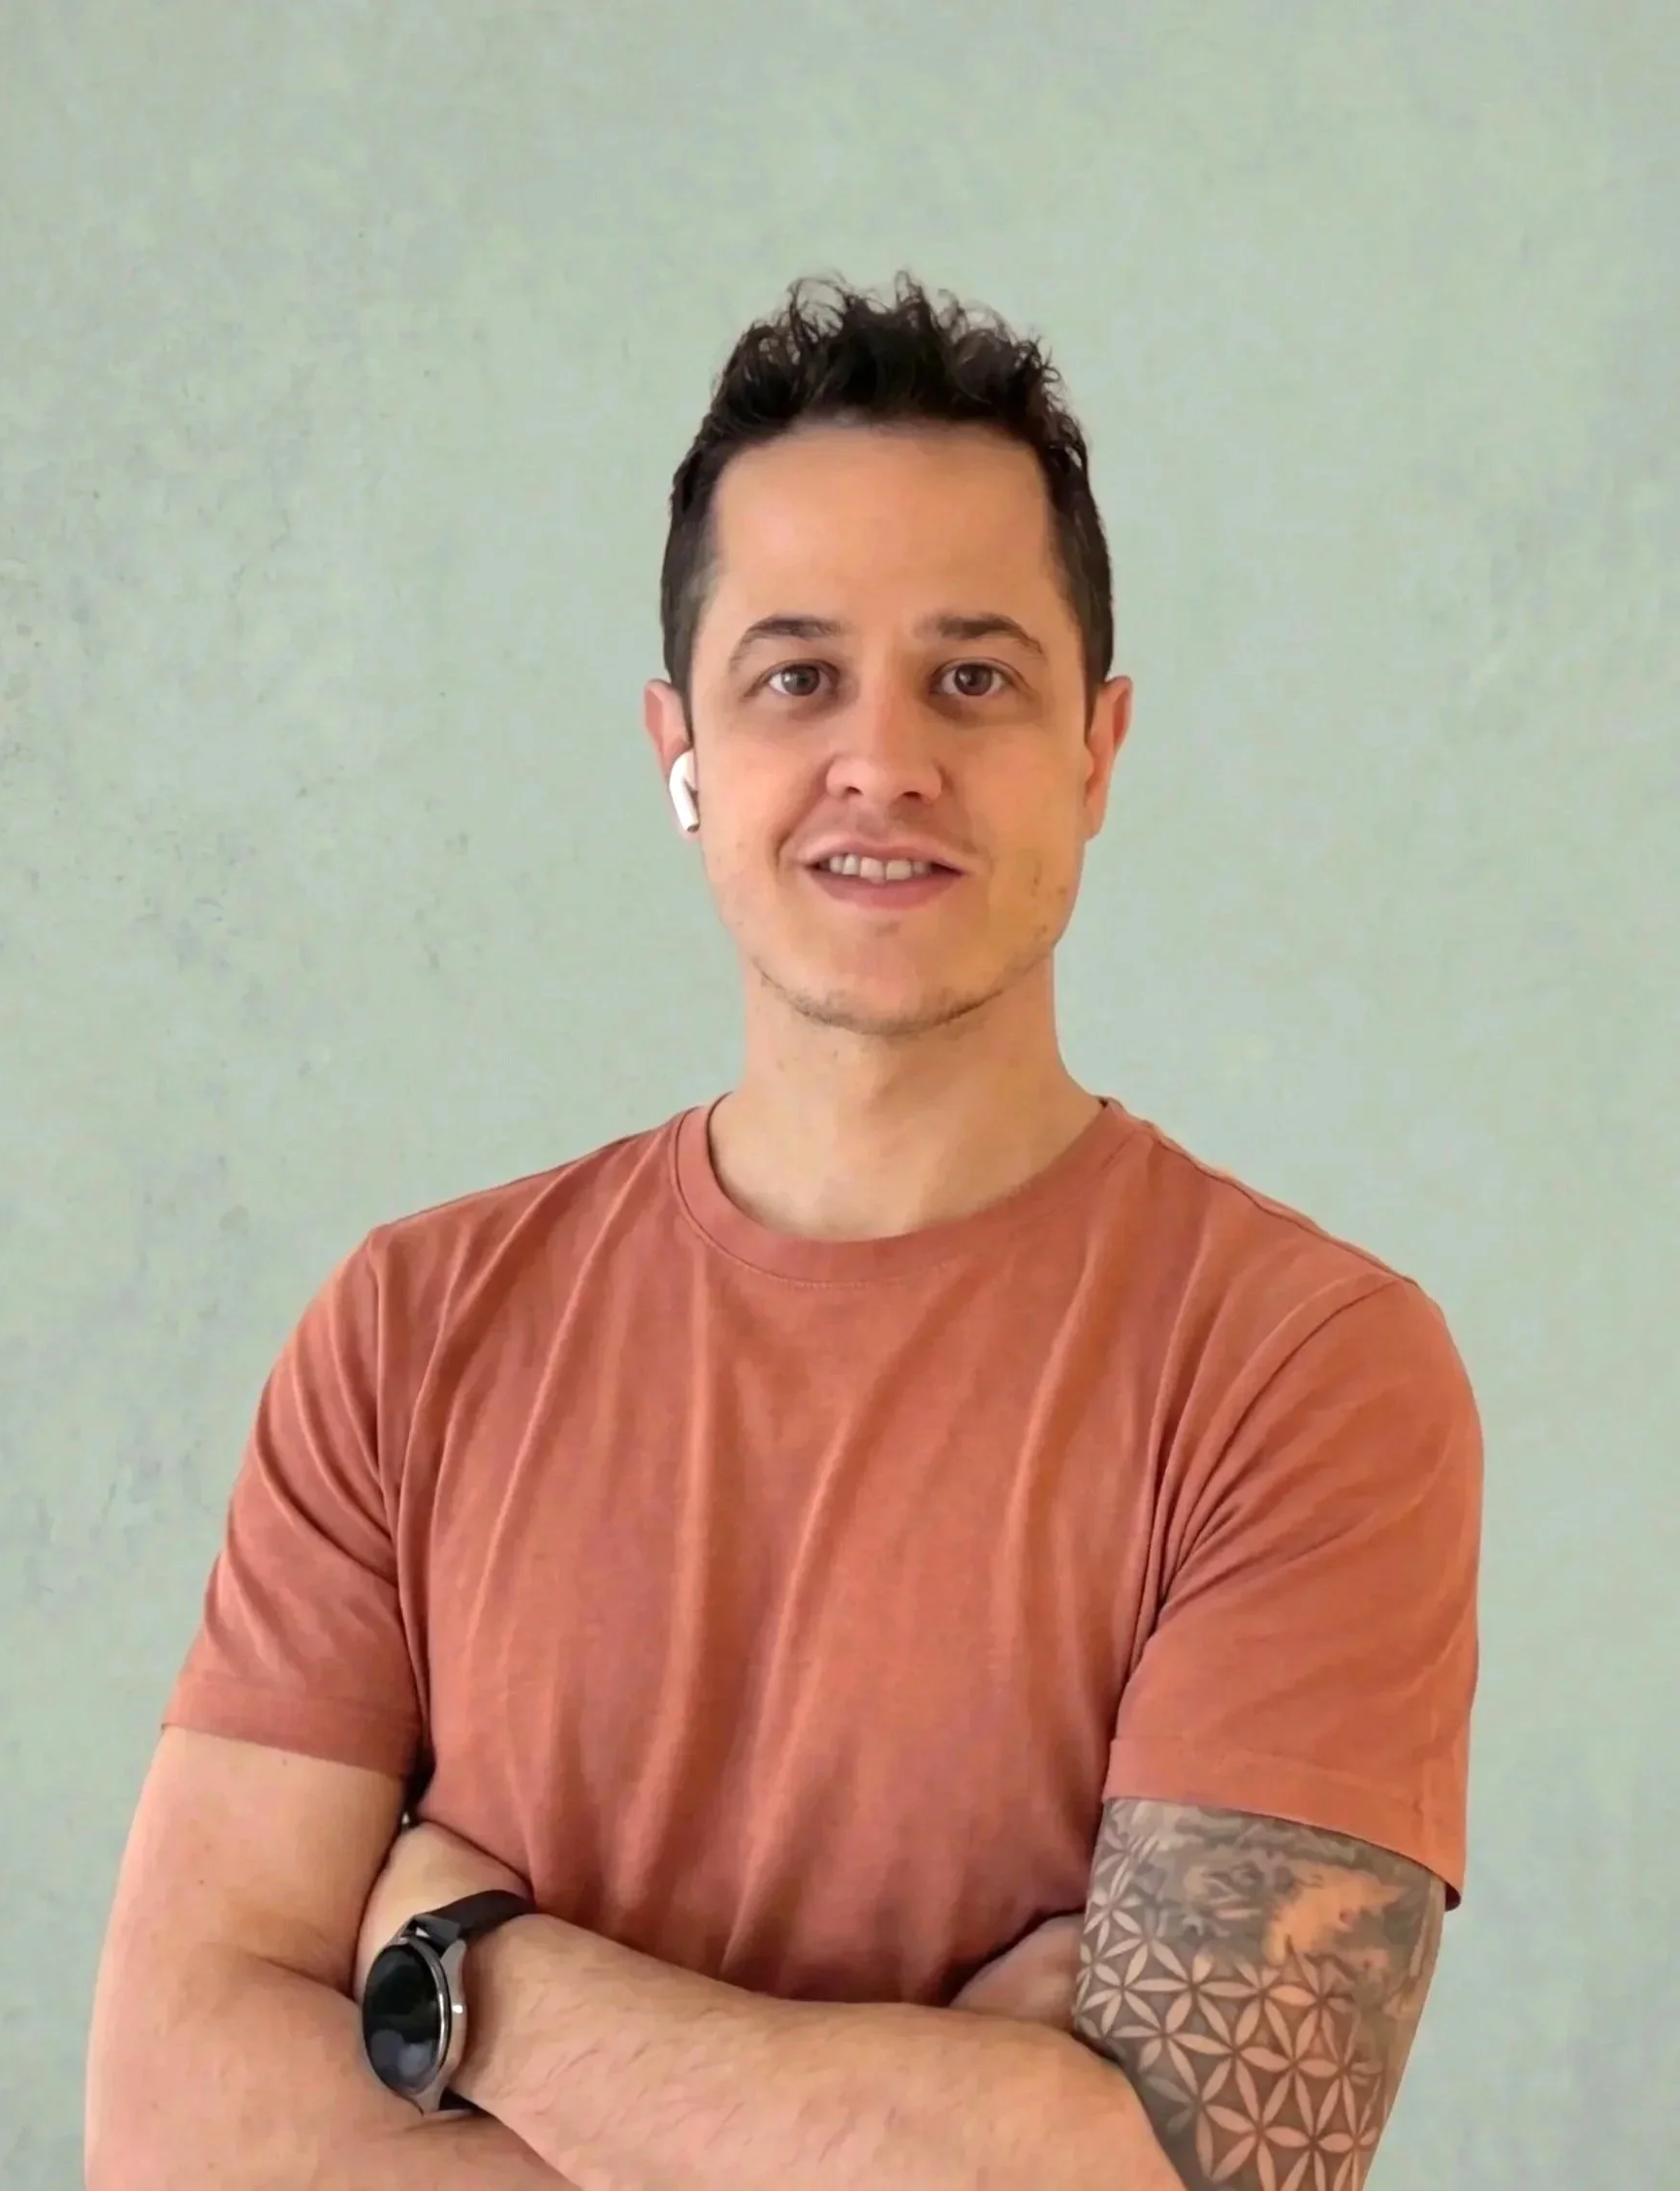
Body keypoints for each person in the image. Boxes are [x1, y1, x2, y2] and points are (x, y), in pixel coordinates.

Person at [85, 273, 1482, 2191]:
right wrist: (951, 2118)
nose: (881, 758)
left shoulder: (1303, 1373)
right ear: (680, 747)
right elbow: (167, 2125)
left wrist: (475, 1980)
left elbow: (1201, 2183)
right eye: (795, 674)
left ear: (1097, 745)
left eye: (972, 674)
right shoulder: (408, 1331)